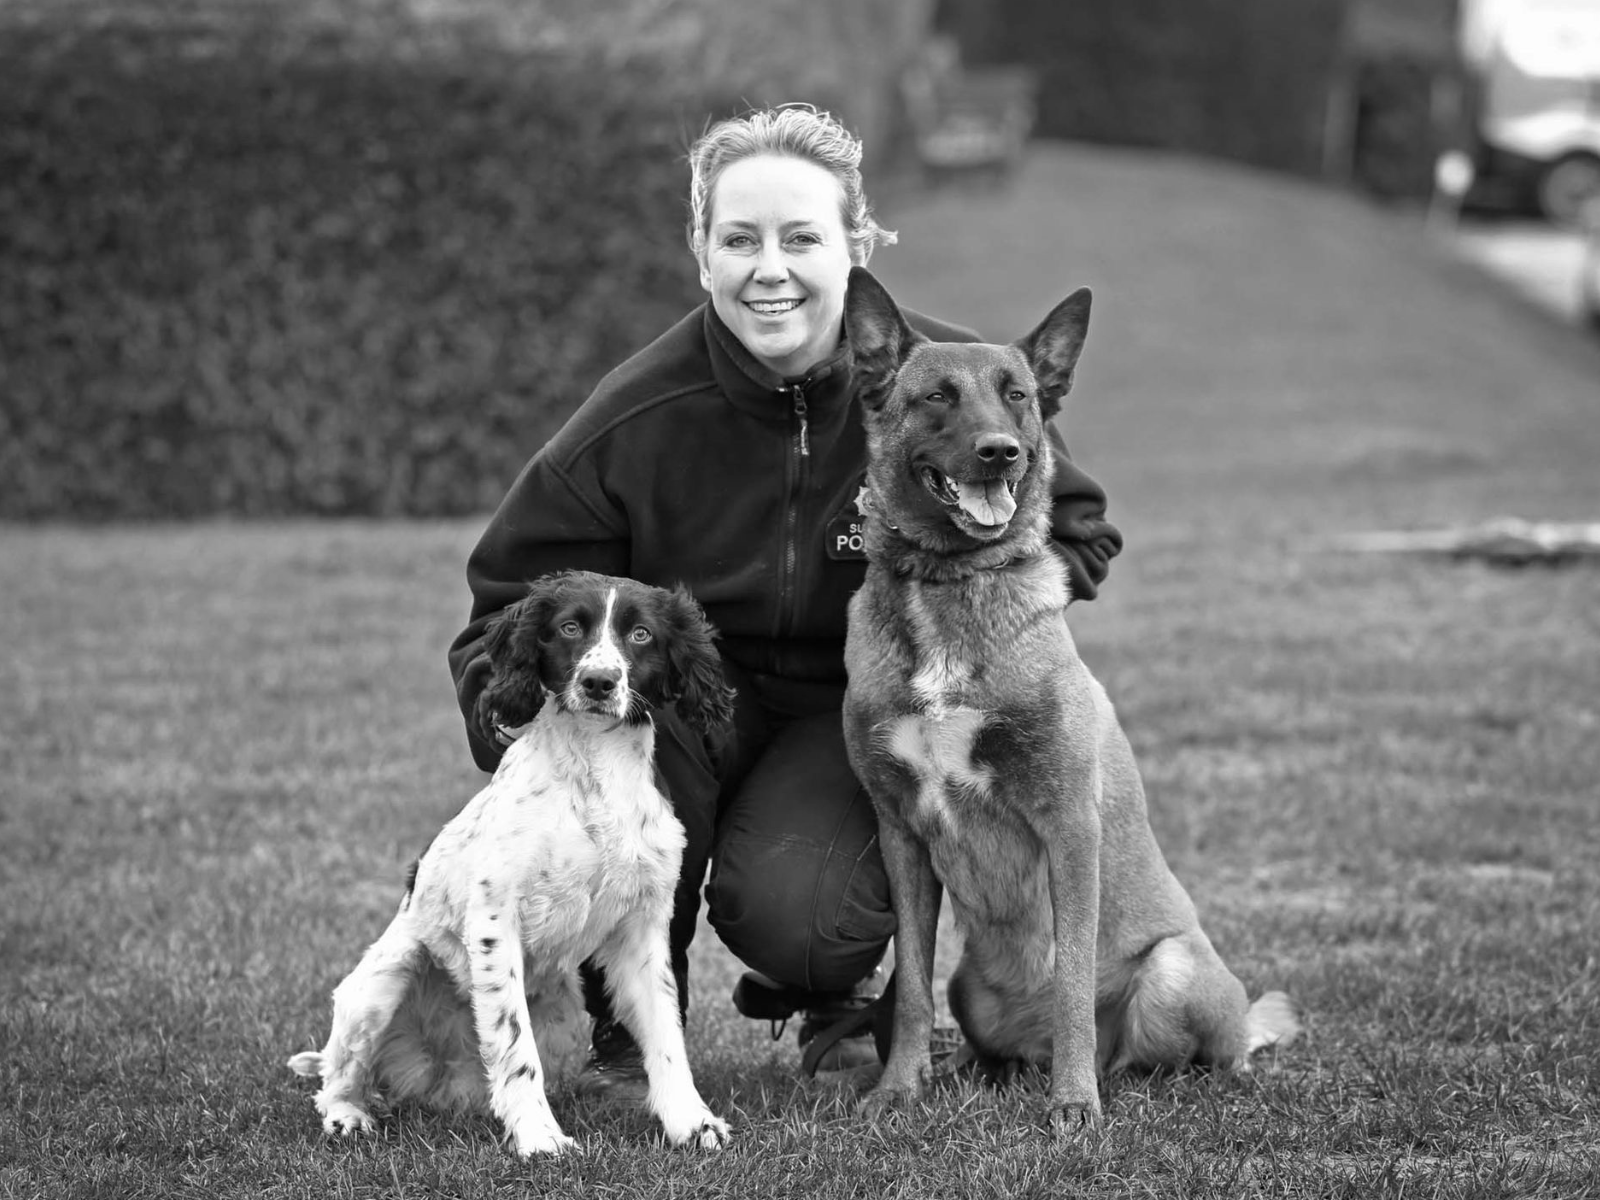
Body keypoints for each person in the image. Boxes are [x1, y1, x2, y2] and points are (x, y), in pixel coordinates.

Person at [446, 104, 1122, 1086]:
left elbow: (1077, 526)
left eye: (801, 237)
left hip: (857, 710)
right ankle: (627, 1029)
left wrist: (979, 609)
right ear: (700, 248)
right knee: (618, 742)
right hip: (684, 699)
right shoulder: (635, 418)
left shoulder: (945, 379)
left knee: (798, 912)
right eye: (739, 239)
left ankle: (834, 998)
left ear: (855, 242)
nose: (770, 269)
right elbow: (503, 611)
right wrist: (523, 748)